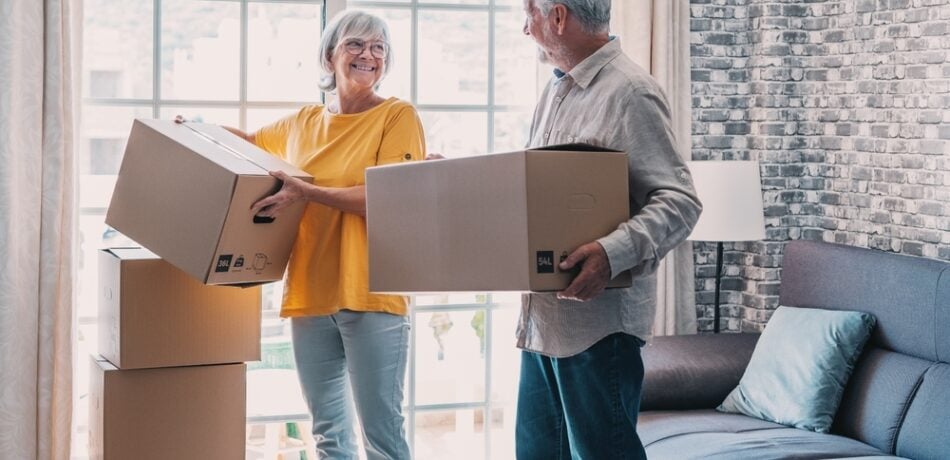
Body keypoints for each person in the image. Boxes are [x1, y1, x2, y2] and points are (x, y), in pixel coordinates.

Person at [180, 10, 424, 459]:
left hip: (372, 296)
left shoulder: (397, 115)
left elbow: (389, 197)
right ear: (330, 55)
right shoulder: (304, 122)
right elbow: (248, 142)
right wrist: (195, 132)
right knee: (330, 435)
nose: (367, 55)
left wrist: (307, 192)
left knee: (382, 438)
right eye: (355, 44)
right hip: (310, 296)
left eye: (378, 48)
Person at [515, 1, 703, 459]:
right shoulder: (555, 91)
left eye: (529, 14)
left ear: (558, 17)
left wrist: (610, 251)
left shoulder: (630, 91)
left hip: (598, 330)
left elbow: (680, 202)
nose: (525, 29)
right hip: (542, 325)